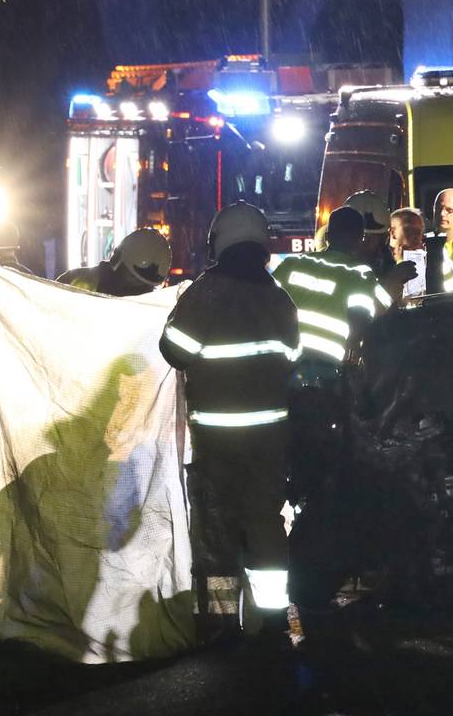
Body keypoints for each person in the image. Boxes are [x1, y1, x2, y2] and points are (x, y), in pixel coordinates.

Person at [158, 201, 299, 644]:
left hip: (217, 439)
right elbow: (292, 359)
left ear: (218, 242)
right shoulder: (279, 298)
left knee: (216, 527)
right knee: (264, 525)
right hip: (270, 440)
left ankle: (219, 625)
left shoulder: (207, 291)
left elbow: (173, 349)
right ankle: (275, 621)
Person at [273, 206, 394, 377]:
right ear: (360, 239)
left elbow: (267, 302)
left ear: (328, 236)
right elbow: (362, 323)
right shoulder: (359, 273)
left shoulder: (291, 264)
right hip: (324, 370)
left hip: (282, 364)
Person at [58, 227, 171, 296]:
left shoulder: (147, 311)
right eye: (133, 279)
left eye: (146, 287)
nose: (137, 290)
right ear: (117, 262)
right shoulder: (76, 282)